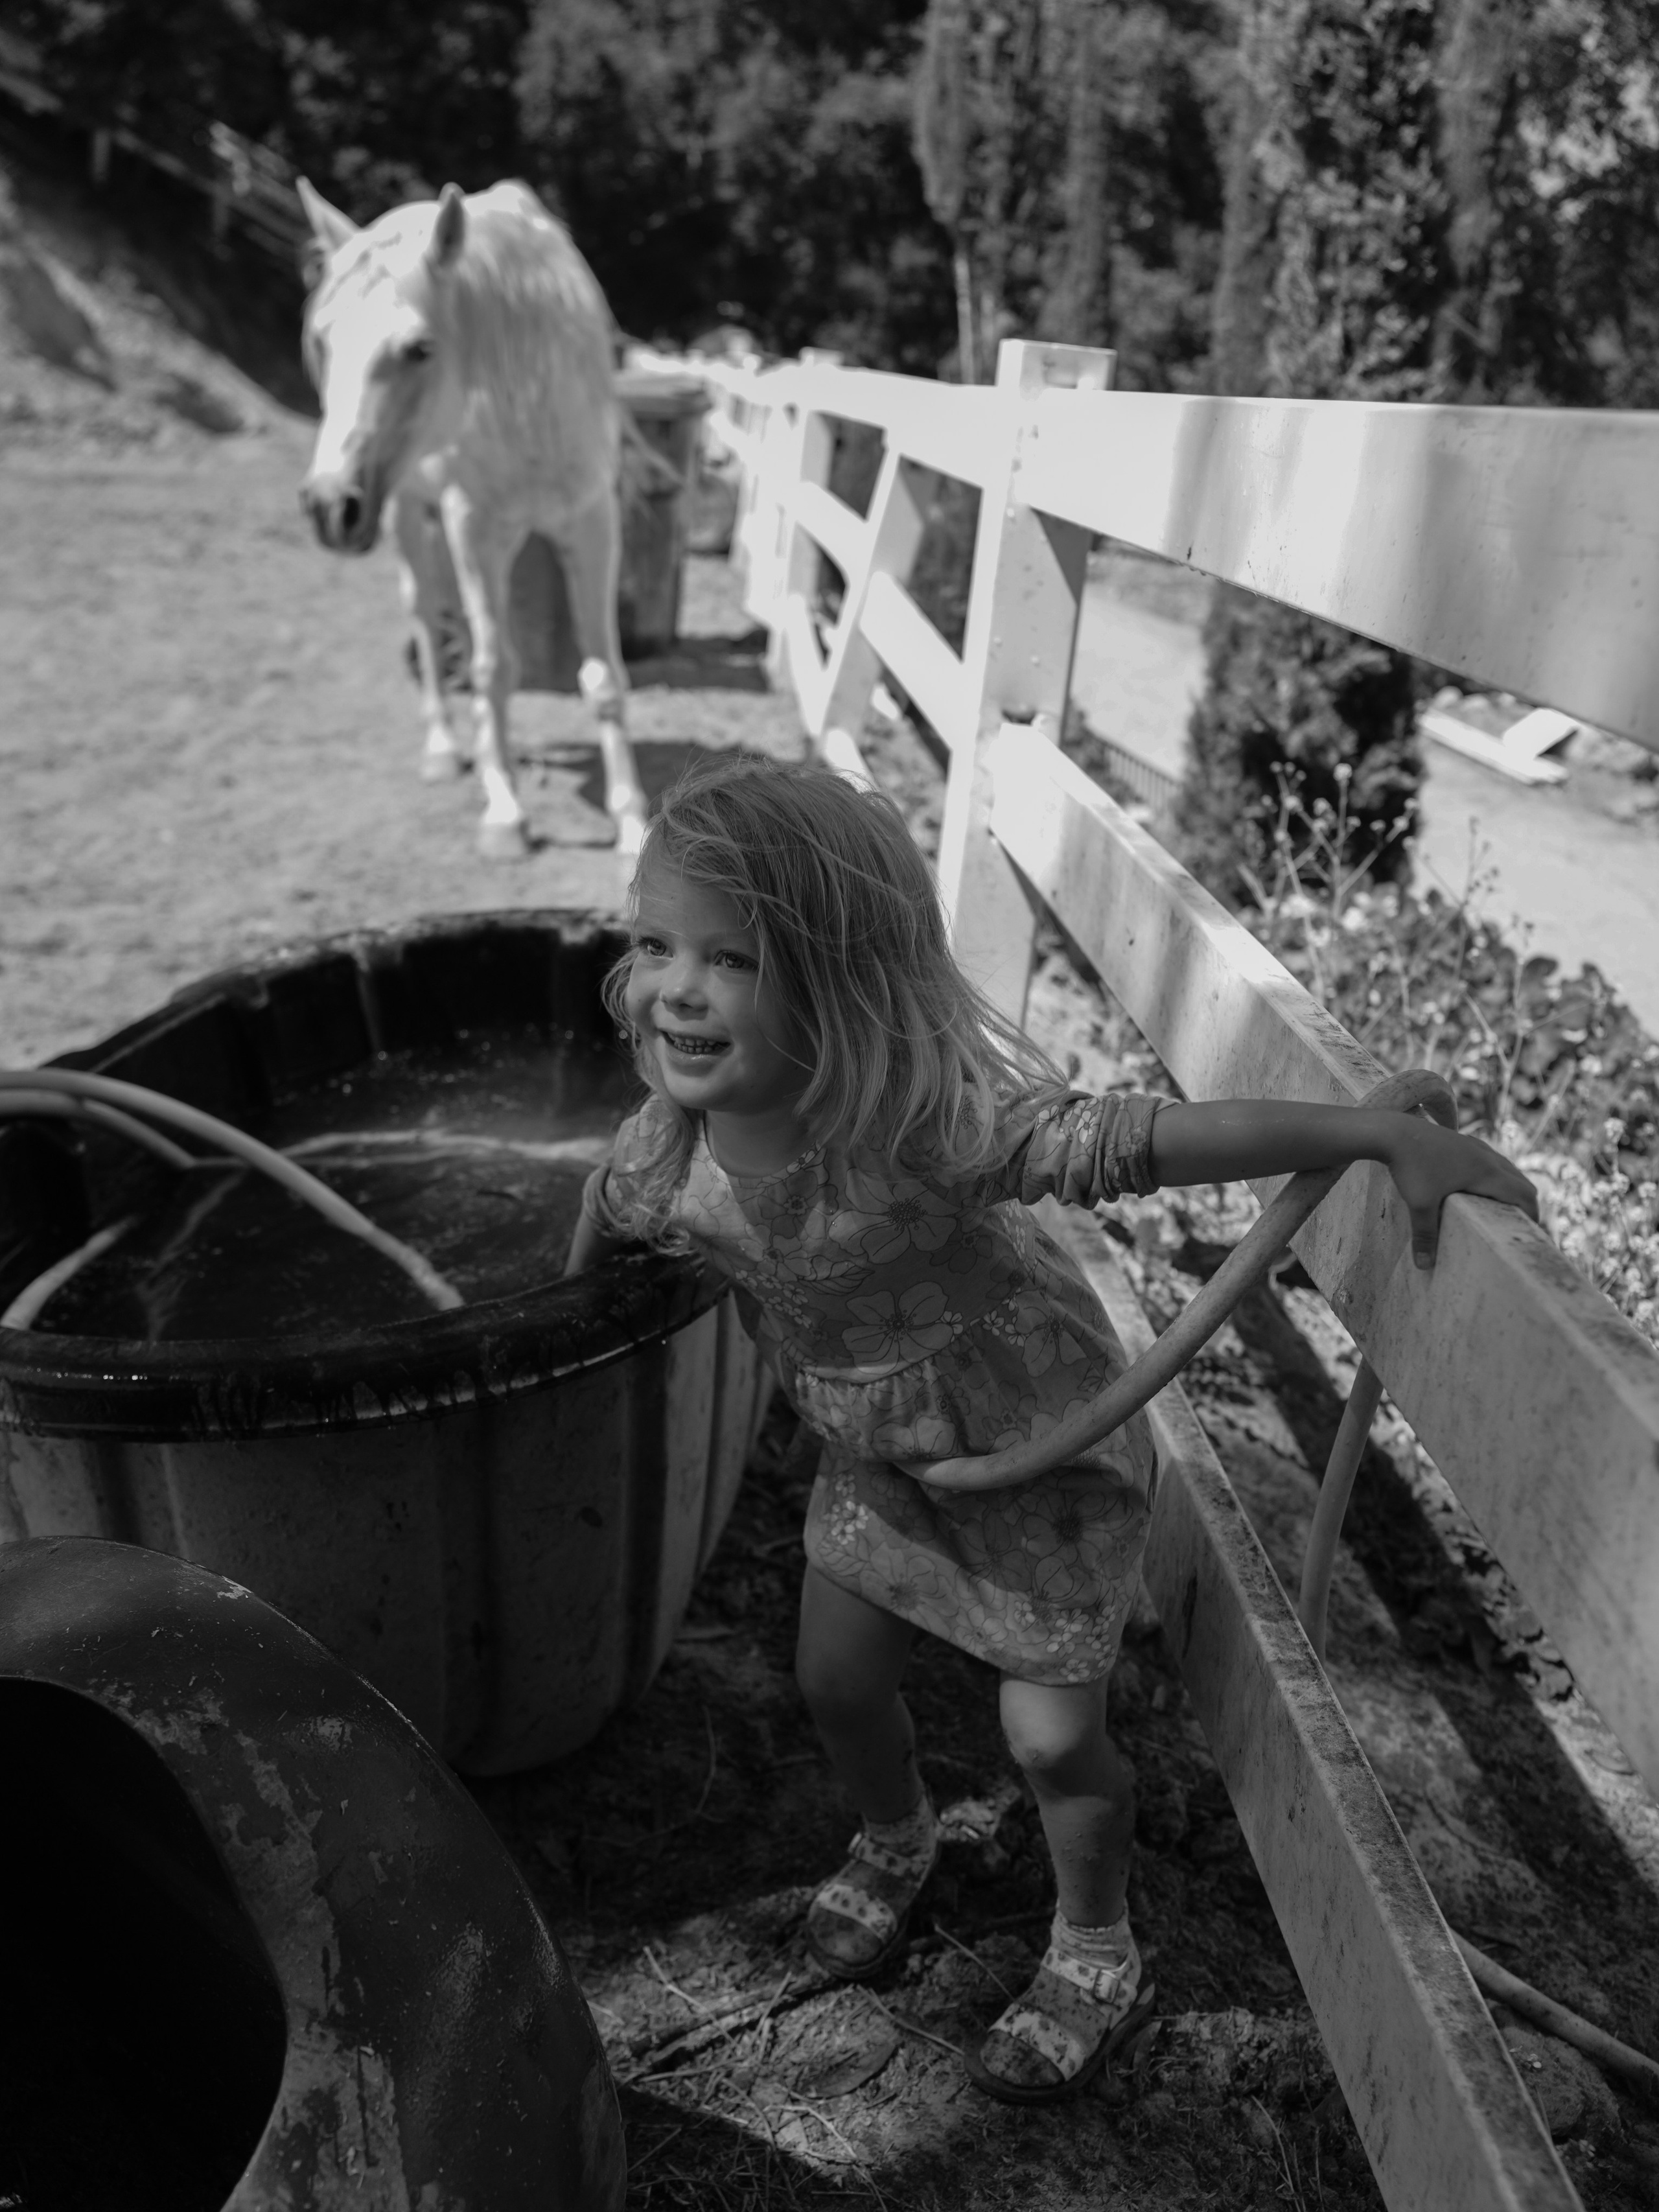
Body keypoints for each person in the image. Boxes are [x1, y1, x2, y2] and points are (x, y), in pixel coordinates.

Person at [565, 755, 1538, 2104]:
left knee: (1047, 1741)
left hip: (1032, 1446)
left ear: (842, 986)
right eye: (652, 942)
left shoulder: (918, 1129)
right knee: (835, 1680)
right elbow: (596, 1233)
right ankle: (895, 1839)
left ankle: (1095, 1938)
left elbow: (1133, 1142)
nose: (672, 986)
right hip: (879, 1453)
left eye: (729, 958)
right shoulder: (668, 1152)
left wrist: (1363, 1135)